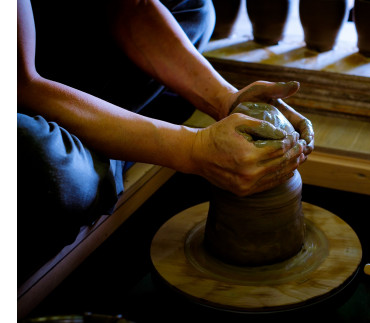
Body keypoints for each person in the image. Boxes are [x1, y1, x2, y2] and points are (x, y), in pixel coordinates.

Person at [17, 0, 314, 283]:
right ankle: (105, 143)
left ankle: (106, 127)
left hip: (56, 48)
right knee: (47, 164)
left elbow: (134, 7)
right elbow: (20, 83)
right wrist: (191, 148)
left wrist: (228, 99)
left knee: (195, 9)